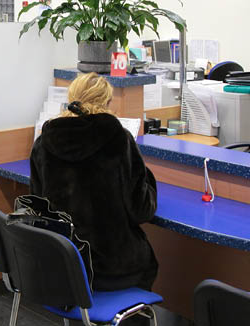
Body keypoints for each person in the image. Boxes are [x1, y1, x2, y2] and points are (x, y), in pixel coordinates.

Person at [29, 73, 158, 298]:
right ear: (107, 102)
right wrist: (147, 179)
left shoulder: (44, 142)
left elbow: (38, 209)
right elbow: (142, 210)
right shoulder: (119, 140)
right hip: (114, 269)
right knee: (148, 261)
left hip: (64, 267)